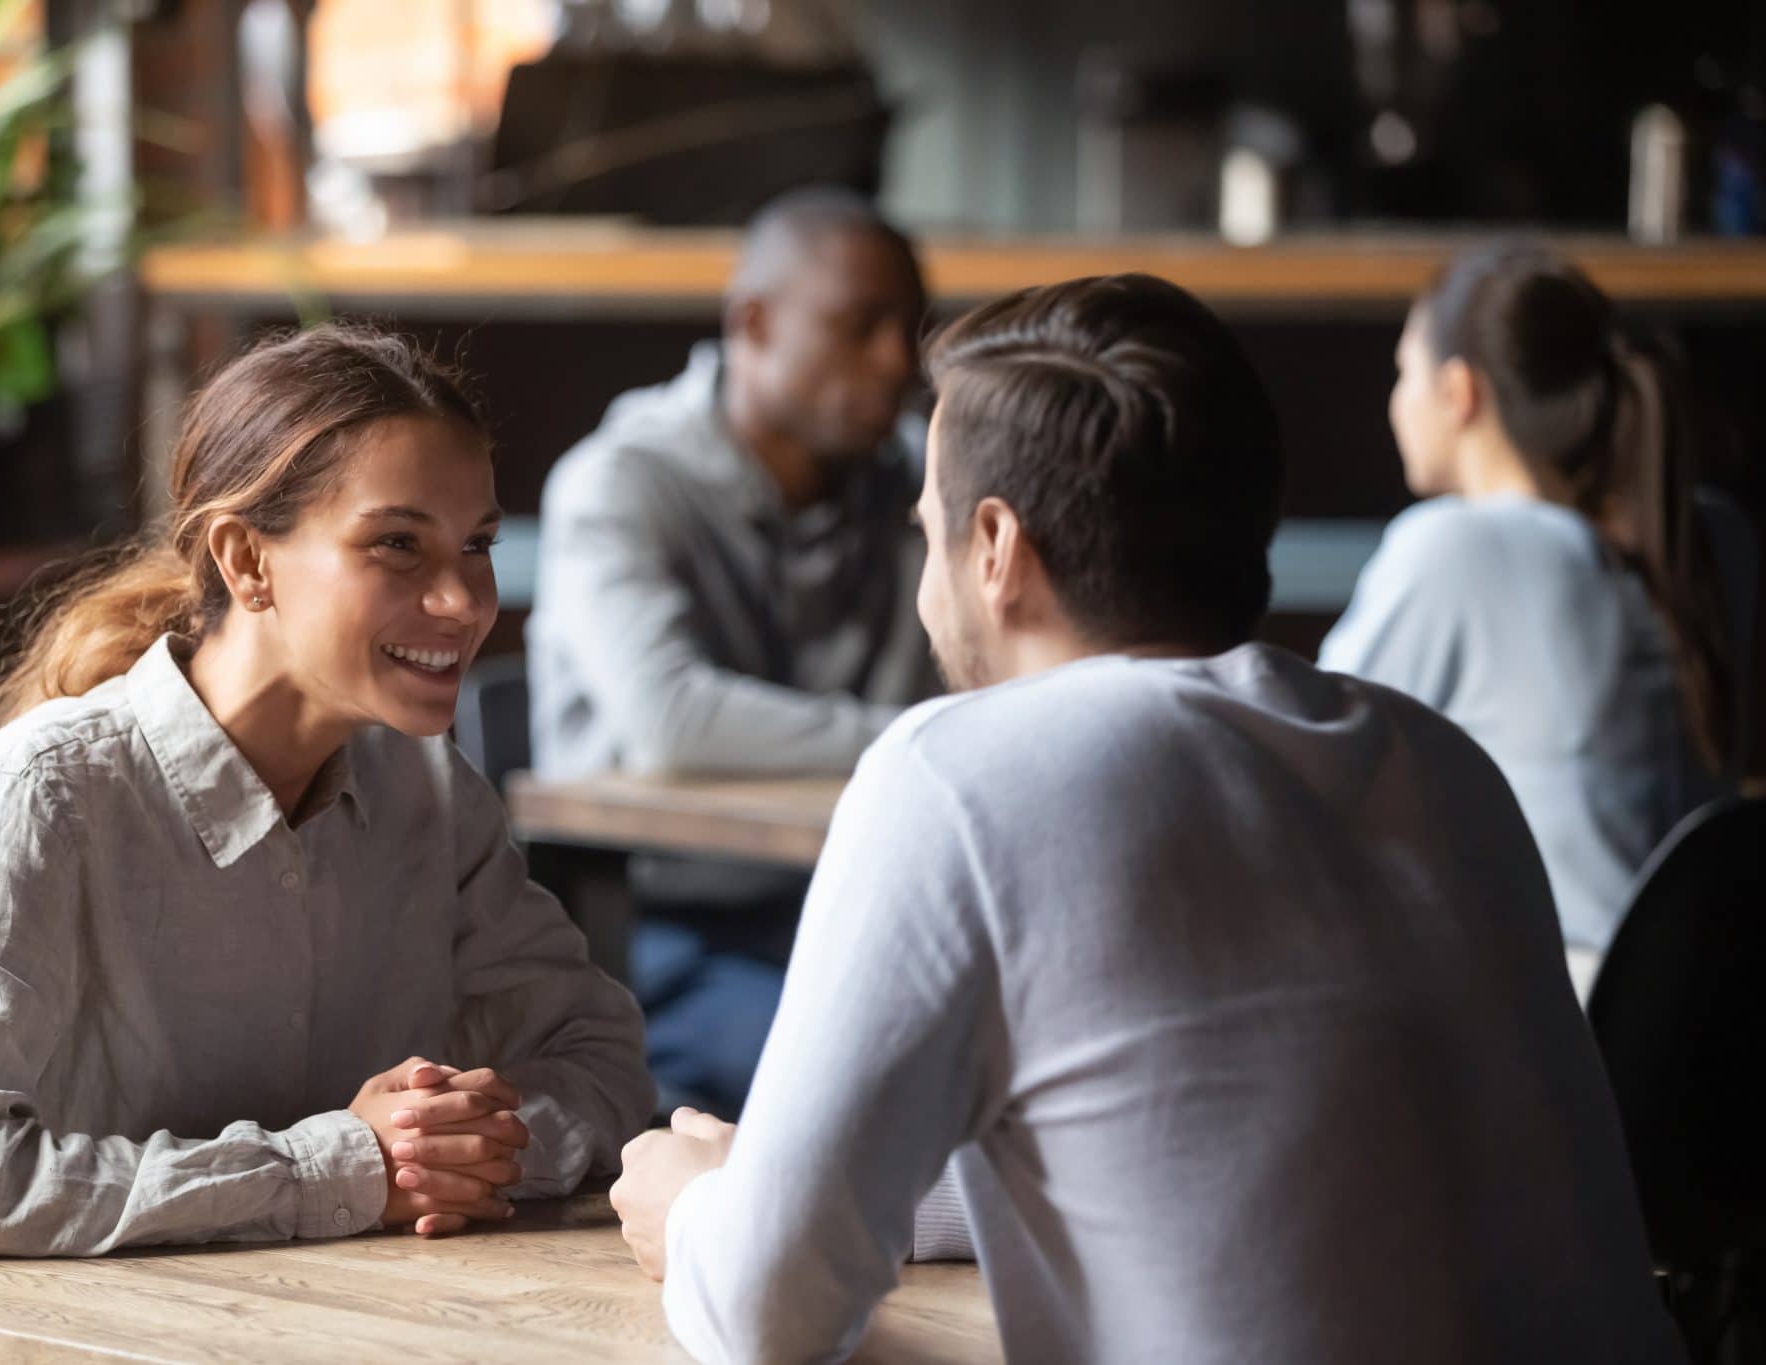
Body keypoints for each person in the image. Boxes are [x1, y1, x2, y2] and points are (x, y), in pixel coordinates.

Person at [609, 274, 1683, 1364]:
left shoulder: (955, 776)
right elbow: (1211, 1142)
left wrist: (696, 1210)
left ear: (993, 547)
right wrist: (804, 1182)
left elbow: (768, 1316)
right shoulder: (1441, 763)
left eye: (925, 526)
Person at [0, 325, 652, 1257]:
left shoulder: (427, 788)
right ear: (245, 560)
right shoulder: (48, 796)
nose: (466, 600)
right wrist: (341, 1169)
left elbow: (600, 1060)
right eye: (398, 544)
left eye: (476, 544)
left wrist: (461, 1153)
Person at [526, 186, 938, 1115]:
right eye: (860, 326)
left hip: (862, 909)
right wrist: (920, 731)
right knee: (885, 1093)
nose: (896, 363)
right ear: (752, 323)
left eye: (910, 329)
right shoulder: (620, 481)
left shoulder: (915, 481)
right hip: (665, 932)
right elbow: (671, 721)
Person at [1320, 241, 1738, 981]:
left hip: (1566, 1030)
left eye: (1402, 373)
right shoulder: (1713, 538)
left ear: (1458, 393)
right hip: (1709, 1023)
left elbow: (1297, 767)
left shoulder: (1460, 547)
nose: (1395, 400)